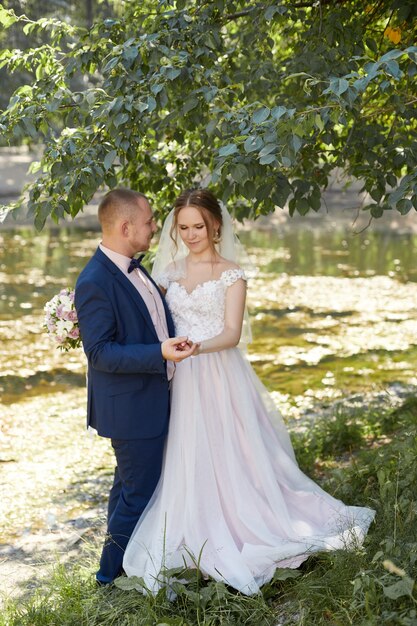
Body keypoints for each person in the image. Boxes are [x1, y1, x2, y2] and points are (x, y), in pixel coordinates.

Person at [123, 188, 375, 596]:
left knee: (232, 447)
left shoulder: (231, 274)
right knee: (190, 450)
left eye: (198, 226)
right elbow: (153, 322)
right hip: (182, 377)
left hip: (219, 372)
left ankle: (248, 520)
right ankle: (198, 522)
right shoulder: (166, 274)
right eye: (183, 228)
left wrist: (196, 347)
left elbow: (231, 333)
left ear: (215, 225)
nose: (190, 235)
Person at [74, 188, 198, 585]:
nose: (153, 227)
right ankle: (108, 578)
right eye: (148, 221)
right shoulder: (94, 279)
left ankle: (123, 567)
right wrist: (159, 352)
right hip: (131, 410)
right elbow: (100, 353)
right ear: (126, 227)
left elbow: (151, 321)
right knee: (138, 494)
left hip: (149, 400)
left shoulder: (135, 267)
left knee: (127, 489)